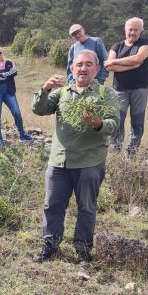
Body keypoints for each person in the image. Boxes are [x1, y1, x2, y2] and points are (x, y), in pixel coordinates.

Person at [32, 50, 119, 265]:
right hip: (59, 161)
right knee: (52, 205)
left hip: (89, 162)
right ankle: (50, 246)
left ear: (97, 69)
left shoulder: (106, 95)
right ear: (72, 69)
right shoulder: (61, 93)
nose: (83, 68)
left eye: (89, 64)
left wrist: (98, 123)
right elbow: (39, 109)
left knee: (86, 208)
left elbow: (114, 125)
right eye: (79, 64)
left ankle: (82, 250)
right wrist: (45, 89)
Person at [104, 17, 148, 154]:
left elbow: (138, 59)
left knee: (137, 122)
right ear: (125, 30)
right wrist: (133, 64)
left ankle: (132, 152)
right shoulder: (117, 46)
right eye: (130, 29)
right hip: (119, 90)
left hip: (140, 89)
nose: (133, 32)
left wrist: (116, 62)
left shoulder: (147, 44)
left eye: (136, 30)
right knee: (117, 120)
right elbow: (109, 67)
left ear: (141, 30)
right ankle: (115, 149)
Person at [0, 47, 33, 146]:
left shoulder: (9, 62)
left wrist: (1, 74)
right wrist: (7, 75)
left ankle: (22, 134)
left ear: (2, 53)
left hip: (9, 91)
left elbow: (14, 71)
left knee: (16, 112)